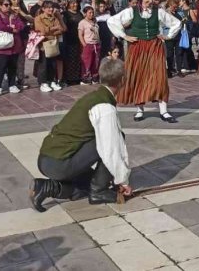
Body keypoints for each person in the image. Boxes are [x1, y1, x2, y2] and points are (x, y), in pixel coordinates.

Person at [31, 58, 132, 211]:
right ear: (122, 80)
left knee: (86, 187)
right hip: (59, 163)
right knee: (115, 138)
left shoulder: (94, 97)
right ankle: (99, 192)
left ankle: (46, 187)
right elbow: (110, 149)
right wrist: (122, 180)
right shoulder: (104, 106)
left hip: (48, 158)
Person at [107, 0, 181, 122]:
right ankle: (140, 110)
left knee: (160, 77)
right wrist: (124, 36)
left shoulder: (159, 12)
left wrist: (168, 36)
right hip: (138, 47)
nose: (150, 1)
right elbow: (112, 21)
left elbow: (176, 23)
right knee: (139, 76)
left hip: (154, 46)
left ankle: (164, 111)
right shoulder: (131, 11)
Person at [0, 0, 26, 96]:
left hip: (15, 45)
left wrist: (13, 28)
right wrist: (11, 29)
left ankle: (12, 85)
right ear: (0, 5)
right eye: (6, 5)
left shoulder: (14, 15)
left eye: (9, 4)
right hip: (3, 46)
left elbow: (21, 25)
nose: (8, 6)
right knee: (1, 67)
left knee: (12, 66)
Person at [61, 0, 84, 86]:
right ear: (68, 4)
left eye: (76, 3)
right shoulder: (65, 14)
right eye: (72, 3)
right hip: (69, 40)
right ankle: (68, 79)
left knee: (78, 59)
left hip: (79, 40)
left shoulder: (79, 14)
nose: (75, 5)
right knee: (69, 60)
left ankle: (77, 77)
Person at [78, 6, 100, 84]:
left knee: (96, 62)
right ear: (85, 13)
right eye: (89, 13)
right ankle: (85, 78)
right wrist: (84, 44)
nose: (91, 14)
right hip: (88, 44)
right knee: (87, 62)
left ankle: (94, 77)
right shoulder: (82, 23)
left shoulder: (95, 21)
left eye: (92, 12)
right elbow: (80, 34)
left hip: (96, 44)